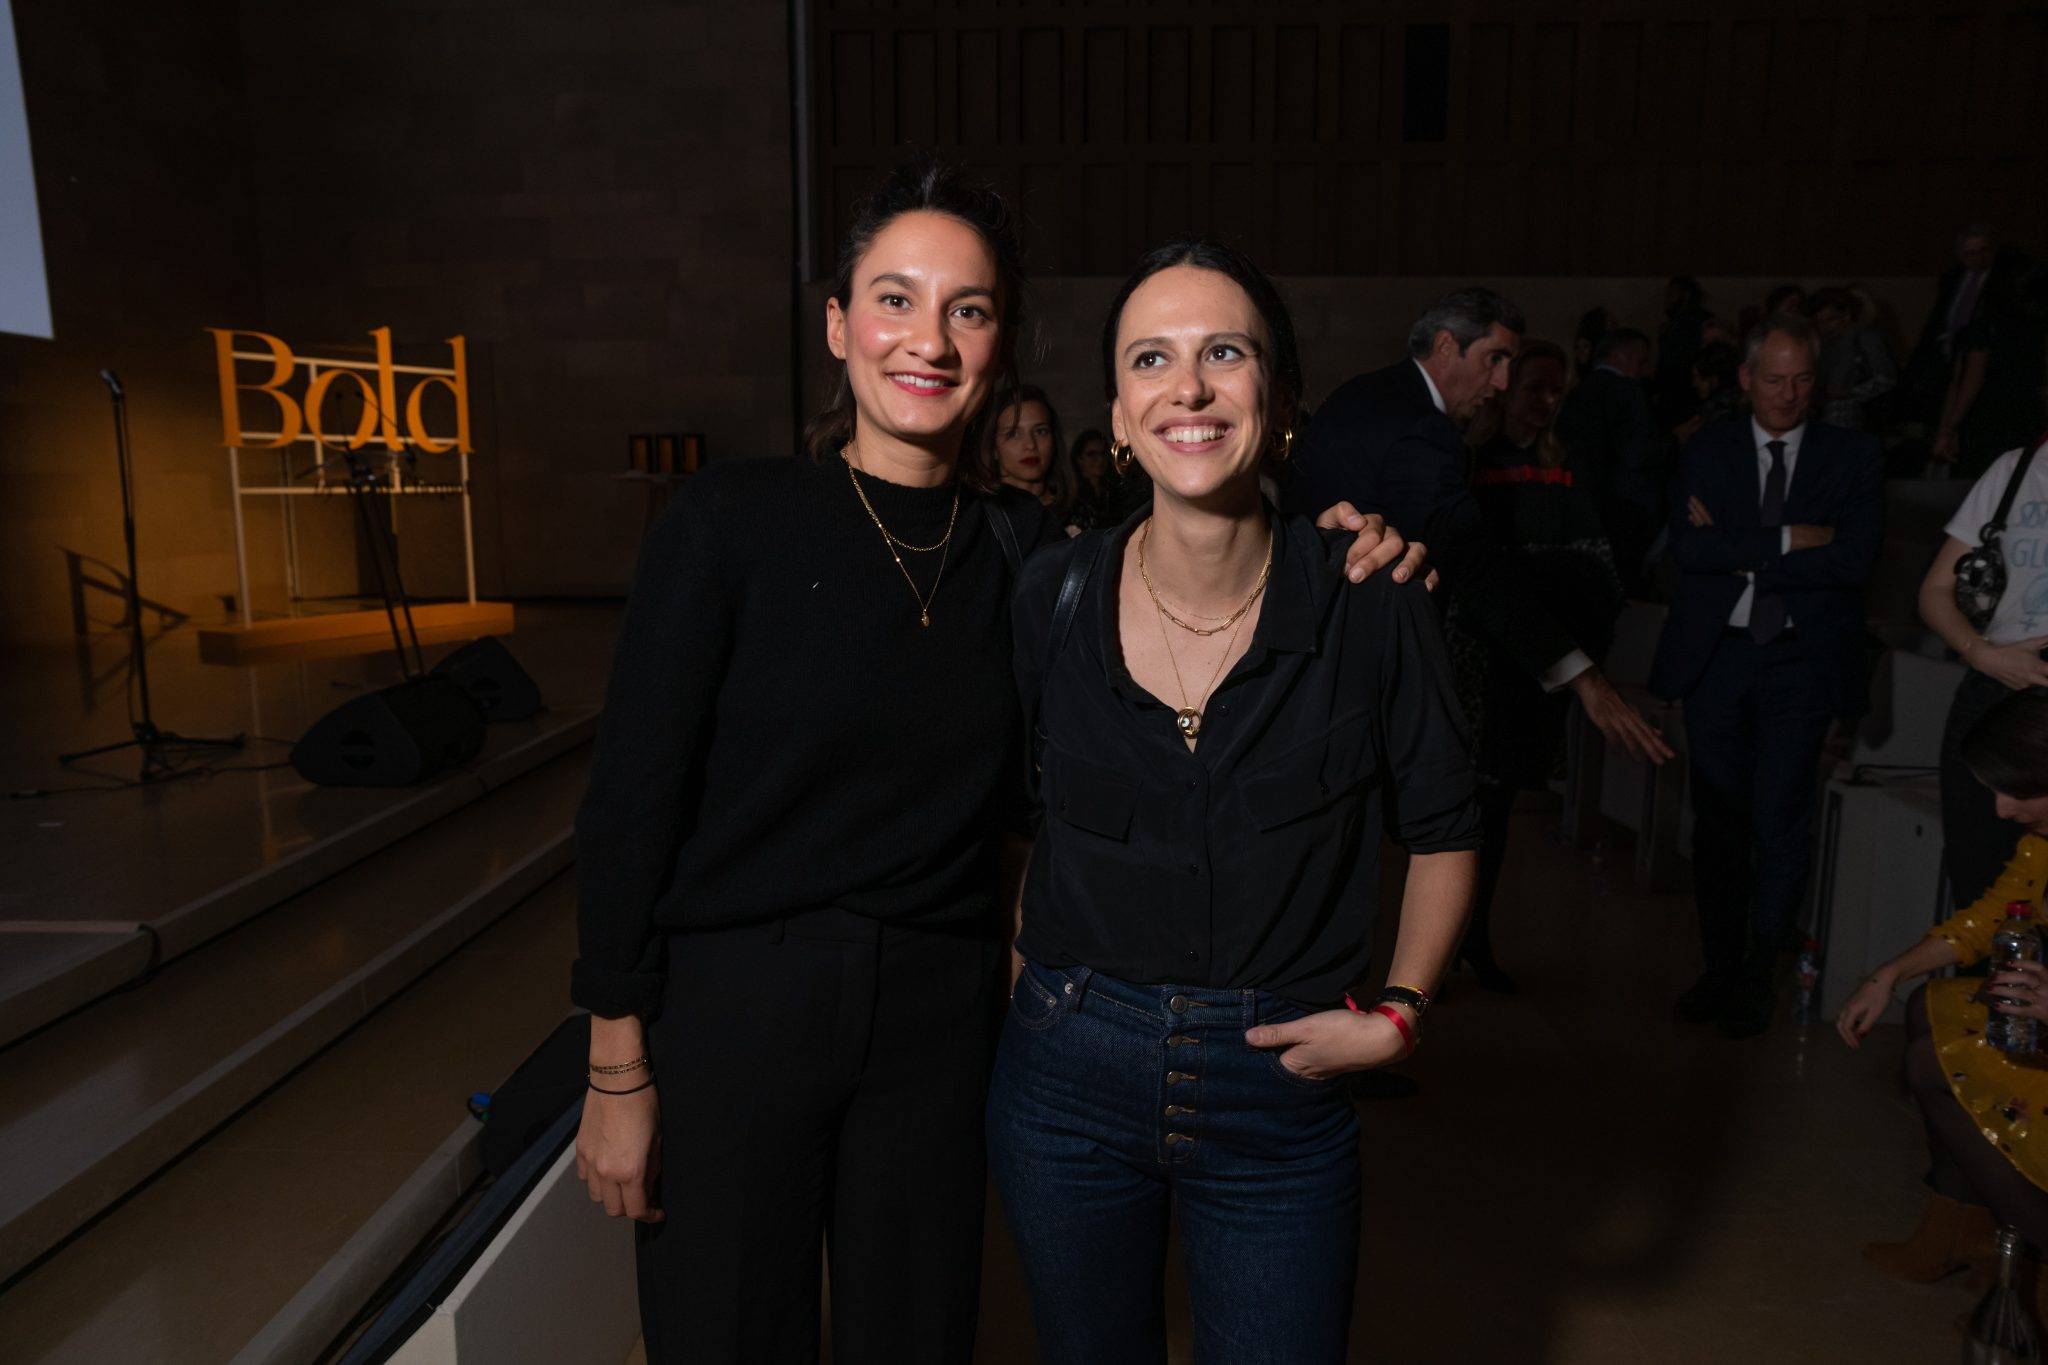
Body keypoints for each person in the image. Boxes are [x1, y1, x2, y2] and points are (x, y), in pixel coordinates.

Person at [569, 159, 1424, 1365]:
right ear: (836, 325)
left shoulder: (1031, 559)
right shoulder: (727, 522)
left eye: (965, 309)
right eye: (895, 298)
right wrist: (614, 1068)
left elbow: (1176, 585)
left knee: (916, 1338)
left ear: (999, 341)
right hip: (736, 1010)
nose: (927, 338)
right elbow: (628, 809)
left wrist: (1350, 538)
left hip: (934, 1020)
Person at [990, 239, 1478, 1364]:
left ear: (1279, 397)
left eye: (1224, 353)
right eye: (1150, 360)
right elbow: (1018, 822)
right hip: (1065, 1081)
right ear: (1115, 416)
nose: (1189, 388)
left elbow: (1444, 829)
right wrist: (1030, 997)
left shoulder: (1371, 600)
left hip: (1278, 1090)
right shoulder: (1049, 598)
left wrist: (1400, 1012)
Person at [1287, 288, 1673, 803]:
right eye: (1495, 359)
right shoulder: (1423, 428)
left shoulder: (1368, 392)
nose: (1502, 383)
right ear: (1447, 346)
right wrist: (1583, 677)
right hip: (1347, 668)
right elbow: (1474, 562)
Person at [1651, 313, 1884, 1039]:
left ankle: (1757, 975)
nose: (1787, 394)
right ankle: (1719, 967)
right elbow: (1689, 552)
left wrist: (1737, 547)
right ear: (1747, 378)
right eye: (1774, 379)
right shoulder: (1709, 449)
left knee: (1780, 820)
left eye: (1802, 380)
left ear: (1819, 384)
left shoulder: (1852, 456)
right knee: (1717, 823)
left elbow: (1854, 561)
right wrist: (1788, 538)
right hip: (1718, 656)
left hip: (1800, 660)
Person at [1838, 689, 2048, 1301]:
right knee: (1929, 1007)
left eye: (2021, 791)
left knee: (1930, 1064)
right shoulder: (2044, 837)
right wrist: (1889, 972)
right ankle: (1955, 1230)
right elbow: (1986, 919)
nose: (2003, 810)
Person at [1457, 340, 1625, 992]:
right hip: (1479, 661)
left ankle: (1475, 939)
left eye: (1557, 391)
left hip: (1536, 669)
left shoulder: (1567, 465)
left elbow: (1594, 566)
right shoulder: (1477, 463)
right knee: (1457, 813)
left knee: (1494, 813)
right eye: (1535, 388)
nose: (1546, 402)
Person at [1915, 415, 2048, 910]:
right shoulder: (2017, 469)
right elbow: (1934, 591)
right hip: (1993, 688)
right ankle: (1982, 989)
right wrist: (1982, 655)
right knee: (1979, 886)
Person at [1555, 327, 1661, 590]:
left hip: (1584, 505)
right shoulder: (1628, 392)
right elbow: (1637, 453)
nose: (1645, 369)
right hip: (1623, 511)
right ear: (1621, 356)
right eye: (1641, 360)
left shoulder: (1578, 391)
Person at [1903, 223, 2033, 428]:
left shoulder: (2003, 281)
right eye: (1970, 253)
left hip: (1983, 354)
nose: (1977, 258)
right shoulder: (1953, 279)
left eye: (1983, 251)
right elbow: (1941, 318)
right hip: (1950, 353)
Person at [1931, 266, 2048, 481]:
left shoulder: (1983, 329)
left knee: (1983, 487)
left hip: (1986, 423)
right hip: (2023, 418)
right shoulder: (2035, 330)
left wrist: (1949, 427)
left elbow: (1968, 381)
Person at [1812, 285, 1897, 433]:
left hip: (1859, 422)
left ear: (1846, 316)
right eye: (1820, 322)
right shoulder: (1822, 345)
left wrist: (1850, 392)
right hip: (1826, 422)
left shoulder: (1865, 339)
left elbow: (1887, 378)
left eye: (1831, 320)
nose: (1826, 327)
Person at [992, 383, 1073, 511]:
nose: (1030, 445)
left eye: (1040, 431)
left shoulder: (1079, 512)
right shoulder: (979, 518)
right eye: (1013, 434)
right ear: (993, 447)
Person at [1655, 275, 1708, 425]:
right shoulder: (1675, 322)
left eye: (1671, 294)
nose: (1667, 300)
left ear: (1685, 295)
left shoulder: (1691, 322)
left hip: (1683, 388)